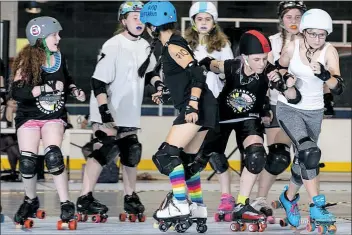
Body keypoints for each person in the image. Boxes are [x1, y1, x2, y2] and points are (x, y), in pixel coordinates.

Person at [198, 29, 301, 231]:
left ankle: (241, 203)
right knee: (204, 157)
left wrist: (284, 83)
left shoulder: (269, 70)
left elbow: (294, 96)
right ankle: (185, 201)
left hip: (248, 119)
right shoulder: (230, 66)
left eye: (264, 59)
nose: (262, 64)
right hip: (223, 118)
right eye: (257, 59)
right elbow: (207, 64)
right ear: (244, 57)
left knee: (256, 155)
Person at [140, 1, 218, 233]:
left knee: (165, 156)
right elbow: (184, 78)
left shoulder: (174, 45)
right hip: (203, 106)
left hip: (197, 106)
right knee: (188, 164)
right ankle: (198, 207)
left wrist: (192, 105)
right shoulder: (172, 46)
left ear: (152, 26)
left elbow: (197, 72)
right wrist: (165, 93)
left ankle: (180, 204)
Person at [76, 1, 153, 223]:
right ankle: (84, 197)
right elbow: (97, 82)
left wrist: (158, 87)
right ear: (123, 21)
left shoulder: (145, 46)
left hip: (129, 109)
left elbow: (149, 72)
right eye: (134, 17)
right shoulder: (113, 45)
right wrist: (104, 113)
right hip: (107, 107)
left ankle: (130, 197)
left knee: (131, 151)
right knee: (105, 148)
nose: (139, 21)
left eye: (141, 17)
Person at [10, 16, 85, 229]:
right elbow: (17, 91)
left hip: (53, 116)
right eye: (54, 34)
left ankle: (65, 203)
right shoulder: (26, 61)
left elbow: (67, 80)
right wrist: (41, 89)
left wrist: (75, 90)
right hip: (28, 116)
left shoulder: (59, 57)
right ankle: (30, 200)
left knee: (53, 155)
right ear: (40, 38)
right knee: (27, 161)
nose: (58, 38)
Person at [274, 9, 343, 231]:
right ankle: (316, 205)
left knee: (304, 159)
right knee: (309, 152)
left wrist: (325, 75)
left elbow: (338, 87)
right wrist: (286, 79)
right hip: (289, 107)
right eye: (312, 34)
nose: (317, 39)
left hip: (314, 111)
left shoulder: (329, 51)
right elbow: (279, 67)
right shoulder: (292, 46)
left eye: (321, 35)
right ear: (304, 32)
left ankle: (288, 197)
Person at [251, 1, 308, 219]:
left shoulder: (312, 41)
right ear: (281, 19)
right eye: (289, 17)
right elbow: (262, 73)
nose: (293, 21)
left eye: (298, 17)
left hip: (306, 106)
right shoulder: (271, 43)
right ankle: (260, 199)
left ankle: (294, 199)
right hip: (277, 104)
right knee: (278, 156)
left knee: (307, 157)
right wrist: (264, 104)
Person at [184, 2, 236, 221]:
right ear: (193, 22)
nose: (204, 23)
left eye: (207, 19)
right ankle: (192, 198)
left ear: (214, 22)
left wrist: (218, 70)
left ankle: (227, 197)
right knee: (189, 153)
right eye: (200, 19)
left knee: (214, 152)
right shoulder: (184, 44)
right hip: (192, 104)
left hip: (216, 103)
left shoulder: (222, 44)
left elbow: (232, 71)